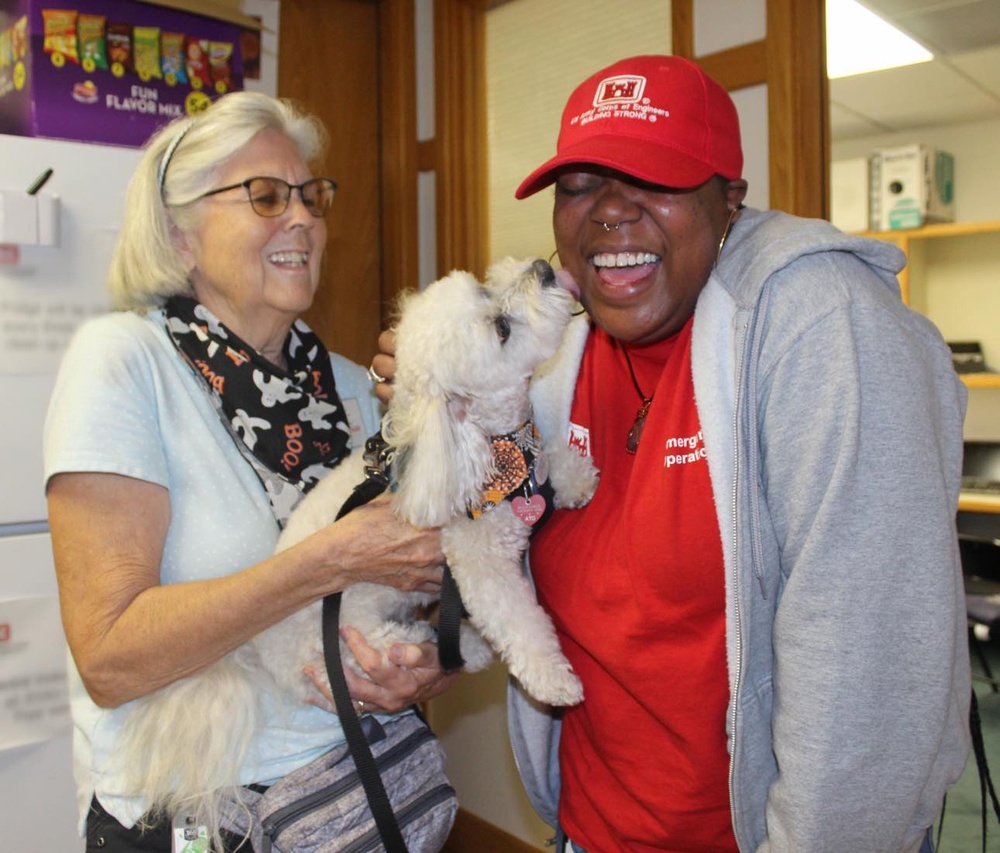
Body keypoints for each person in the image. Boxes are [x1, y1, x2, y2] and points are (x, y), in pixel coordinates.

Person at [374, 54, 972, 852]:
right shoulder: (556, 358)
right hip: (591, 827)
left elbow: (868, 672)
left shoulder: (823, 329)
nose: (611, 212)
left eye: (653, 178)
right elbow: (513, 547)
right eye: (582, 184)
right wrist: (441, 426)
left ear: (730, 197)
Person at [44, 91, 454, 852]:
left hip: (357, 797)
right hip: (201, 810)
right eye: (265, 196)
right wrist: (322, 563)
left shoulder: (356, 387)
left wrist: (429, 665)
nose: (301, 217)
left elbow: (417, 587)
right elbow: (108, 654)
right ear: (181, 236)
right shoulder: (125, 364)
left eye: (311, 195)